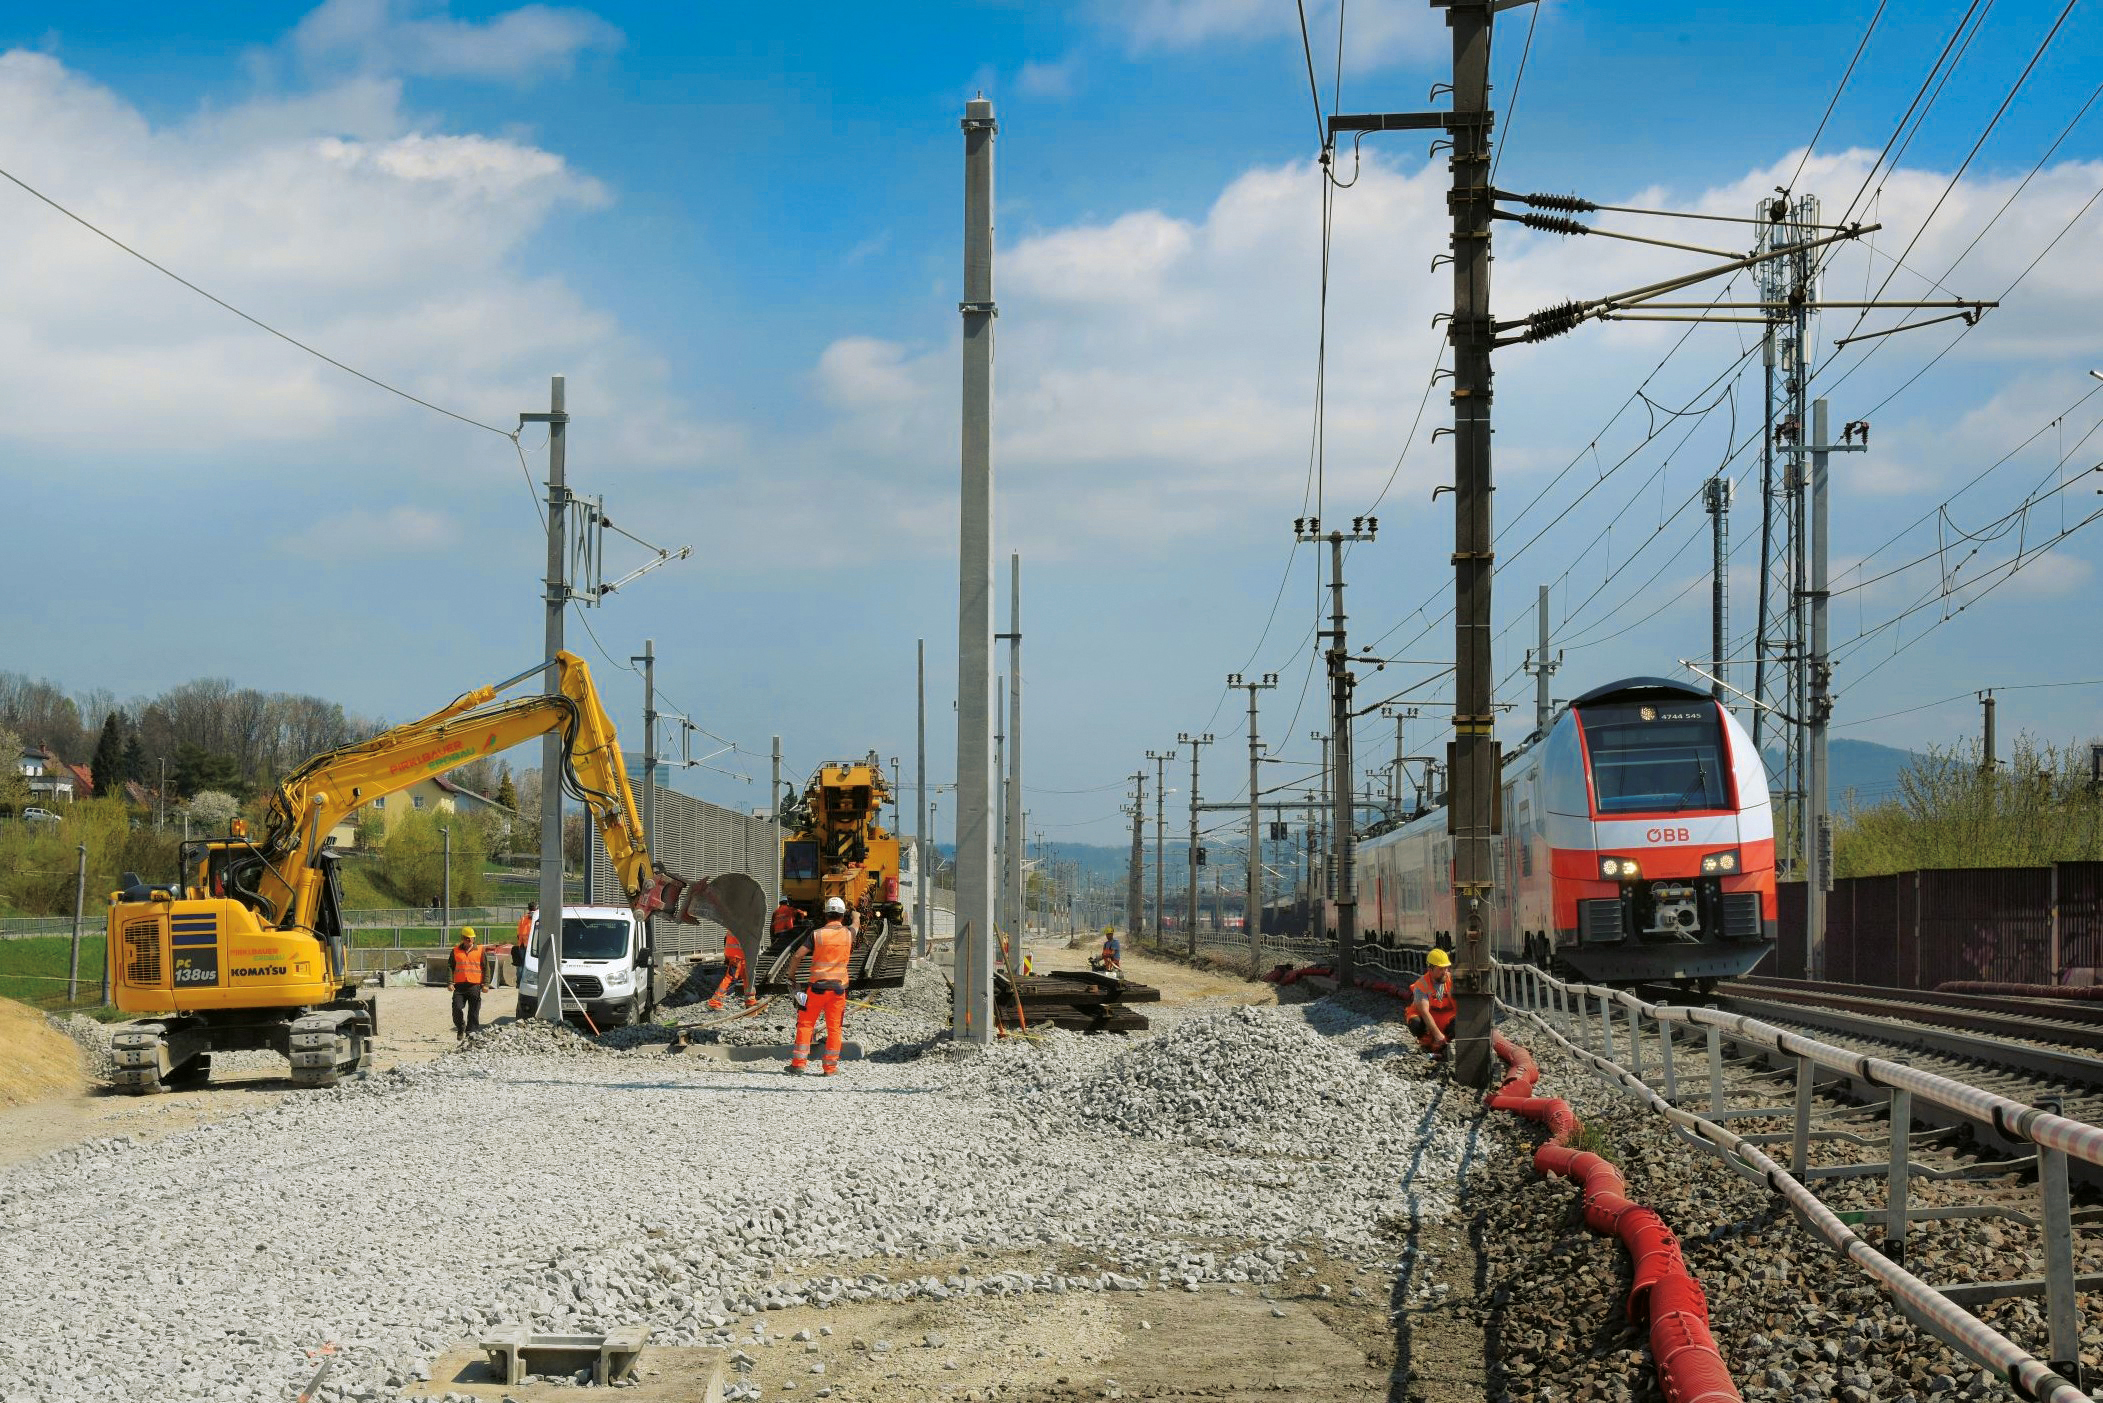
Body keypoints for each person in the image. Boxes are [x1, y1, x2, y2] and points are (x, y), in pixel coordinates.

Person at [781, 896, 855, 1075]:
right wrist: (856, 915)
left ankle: (798, 1064)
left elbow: (798, 955)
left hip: (816, 989)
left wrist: (791, 976)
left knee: (805, 1024)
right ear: (843, 915)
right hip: (838, 991)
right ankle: (830, 1068)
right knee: (834, 1028)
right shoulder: (849, 933)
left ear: (825, 914)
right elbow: (857, 925)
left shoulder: (817, 935)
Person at [1407, 948, 1458, 1058]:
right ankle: (1427, 1042)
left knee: (1458, 1024)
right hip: (1427, 1017)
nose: (1445, 972)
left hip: (1446, 1016)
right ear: (1430, 969)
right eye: (1440, 969)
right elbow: (1424, 1013)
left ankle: (1450, 1043)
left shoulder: (1452, 980)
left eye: (1446, 968)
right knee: (1415, 1023)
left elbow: (1460, 1008)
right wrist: (1438, 1035)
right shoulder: (1421, 985)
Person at [449, 926, 489, 1041]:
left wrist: (486, 984)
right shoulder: (455, 951)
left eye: (471, 938)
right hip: (459, 986)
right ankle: (461, 1026)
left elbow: (486, 968)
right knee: (457, 1008)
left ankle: (471, 1033)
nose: (469, 940)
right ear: (463, 938)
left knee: (474, 1011)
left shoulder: (480, 950)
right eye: (467, 938)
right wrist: (450, 982)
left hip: (474, 985)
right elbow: (450, 967)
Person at [707, 927, 756, 1011]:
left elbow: (726, 940)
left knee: (747, 978)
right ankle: (714, 1002)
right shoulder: (746, 926)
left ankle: (750, 1001)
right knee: (731, 978)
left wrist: (727, 957)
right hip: (738, 956)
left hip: (736, 955)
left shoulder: (734, 926)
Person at [512, 902, 536, 971]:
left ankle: (520, 977)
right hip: (532, 946)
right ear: (536, 908)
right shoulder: (536, 917)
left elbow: (518, 932)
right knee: (531, 965)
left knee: (522, 964)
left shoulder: (523, 918)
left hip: (522, 944)